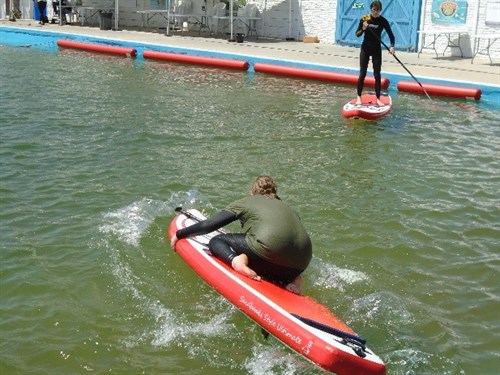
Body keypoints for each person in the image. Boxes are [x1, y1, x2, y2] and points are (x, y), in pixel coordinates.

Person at [170, 176, 312, 294]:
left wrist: (179, 234)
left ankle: (237, 262)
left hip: (268, 251)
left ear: (252, 191)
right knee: (273, 252)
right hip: (300, 264)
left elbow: (209, 225)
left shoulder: (248, 201)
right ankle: (295, 281)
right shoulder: (288, 208)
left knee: (217, 240)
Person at [355, 0, 395, 106]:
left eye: (377, 10)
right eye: (373, 10)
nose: (375, 12)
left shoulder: (383, 21)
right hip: (365, 49)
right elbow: (357, 34)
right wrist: (363, 28)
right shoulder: (364, 19)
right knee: (362, 73)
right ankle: (359, 96)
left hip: (376, 49)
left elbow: (391, 34)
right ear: (371, 9)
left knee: (377, 75)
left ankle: (378, 98)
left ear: (380, 10)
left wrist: (392, 46)